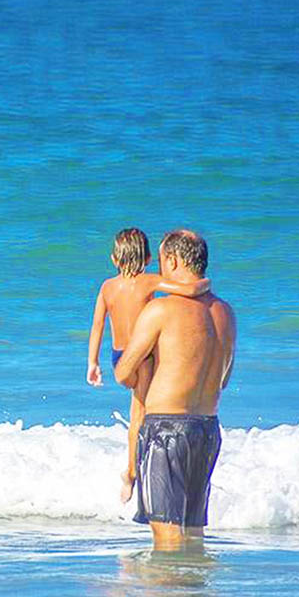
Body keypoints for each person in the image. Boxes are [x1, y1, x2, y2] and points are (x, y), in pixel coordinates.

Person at [114, 229, 235, 551]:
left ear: (173, 260)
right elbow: (223, 379)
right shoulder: (225, 313)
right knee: (192, 538)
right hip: (207, 431)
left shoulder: (161, 310)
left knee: (167, 541)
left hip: (166, 432)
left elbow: (124, 373)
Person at [86, 228, 211, 500]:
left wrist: (92, 363)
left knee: (137, 412)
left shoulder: (107, 287)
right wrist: (206, 284)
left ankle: (133, 473)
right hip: (141, 357)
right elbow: (187, 289)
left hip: (119, 356)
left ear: (113, 259)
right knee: (138, 415)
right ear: (148, 257)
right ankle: (131, 472)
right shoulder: (150, 281)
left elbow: (97, 326)